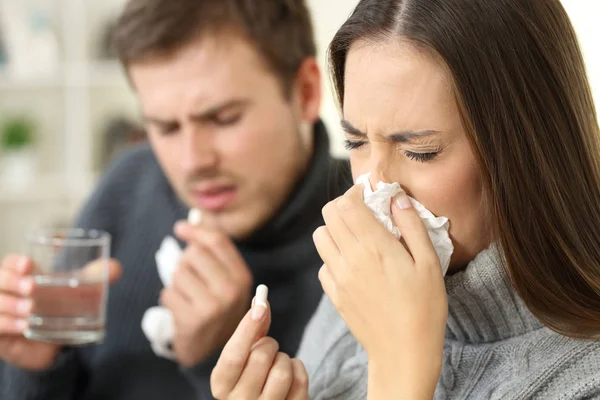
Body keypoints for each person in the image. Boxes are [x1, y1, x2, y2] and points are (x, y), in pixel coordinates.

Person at [210, 0, 600, 398]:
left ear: (528, 151)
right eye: (356, 142)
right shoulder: (359, 296)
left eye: (421, 152)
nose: (374, 187)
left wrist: (401, 371)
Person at [0, 0, 351, 398]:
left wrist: (218, 360)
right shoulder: (129, 179)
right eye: (165, 127)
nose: (192, 162)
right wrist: (36, 368)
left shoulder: (373, 234)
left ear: (305, 92)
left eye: (223, 118)